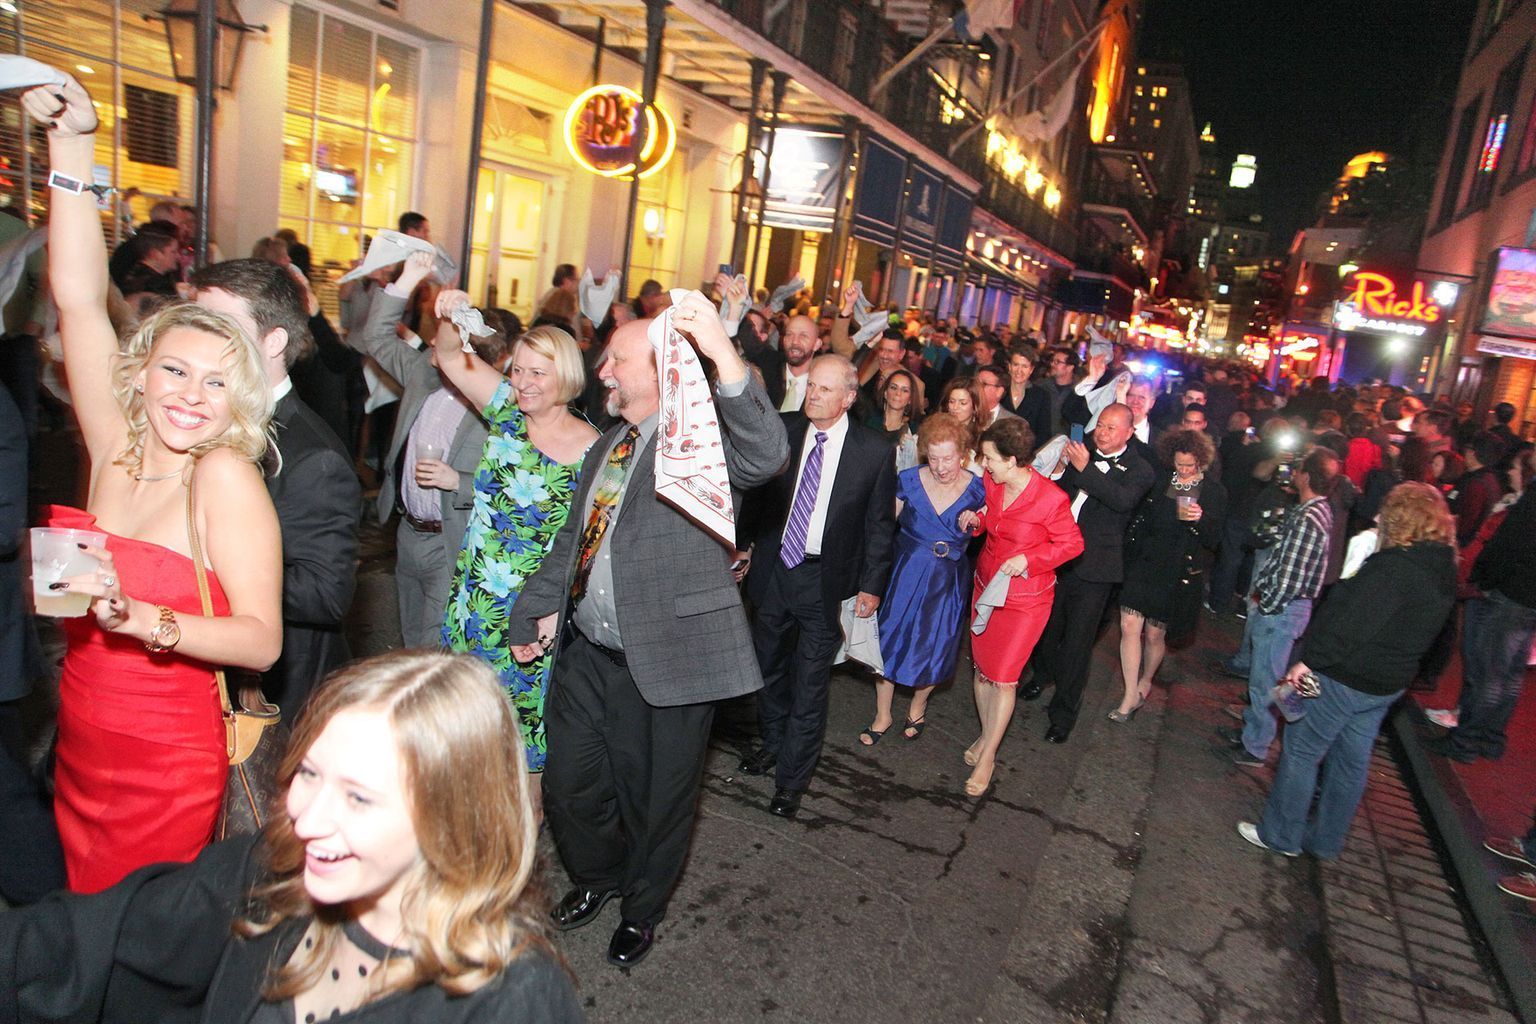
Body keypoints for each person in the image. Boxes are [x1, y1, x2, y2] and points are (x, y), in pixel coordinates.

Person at [0, 650, 582, 1022]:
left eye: (358, 797)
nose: (305, 819)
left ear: (454, 820)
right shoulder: (273, 866)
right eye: (309, 772)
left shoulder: (512, 999)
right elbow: (99, 938)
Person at [30, 73, 282, 892]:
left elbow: (260, 640)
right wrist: (70, 148)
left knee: (141, 940)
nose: (190, 395)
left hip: (166, 756)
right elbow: (75, 299)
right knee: (82, 928)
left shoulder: (225, 476)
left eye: (216, 383)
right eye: (173, 369)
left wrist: (143, 618)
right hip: (82, 731)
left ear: (237, 399)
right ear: (139, 375)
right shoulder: (115, 447)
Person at [505, 293, 788, 966]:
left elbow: (768, 454)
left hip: (667, 659)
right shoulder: (610, 443)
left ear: (663, 371)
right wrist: (533, 607)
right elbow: (576, 540)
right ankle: (598, 876)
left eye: (617, 359)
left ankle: (641, 907)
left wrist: (720, 350)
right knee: (572, 786)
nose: (603, 370)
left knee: (656, 799)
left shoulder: (703, 440)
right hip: (588, 655)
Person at [1238, 484, 1456, 859]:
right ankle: (1325, 840)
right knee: (1350, 761)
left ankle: (1281, 835)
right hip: (1385, 684)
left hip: (1346, 677)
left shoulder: (1395, 569)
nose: (1377, 518)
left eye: (1385, 512)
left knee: (1302, 749)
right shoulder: (1443, 567)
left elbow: (1353, 626)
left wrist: (1310, 660)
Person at [433, 293, 597, 791]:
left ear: (565, 377)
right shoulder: (506, 410)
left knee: (523, 732)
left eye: (537, 374)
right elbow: (446, 356)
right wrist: (447, 313)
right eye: (519, 370)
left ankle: (523, 840)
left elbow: (584, 544)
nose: (522, 382)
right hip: (472, 601)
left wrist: (550, 609)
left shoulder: (594, 449)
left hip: (529, 610)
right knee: (461, 717)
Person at [190, 256, 361, 714]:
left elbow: (326, 594)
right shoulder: (196, 415)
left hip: (276, 690)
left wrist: (210, 570)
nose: (201, 339)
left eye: (220, 326)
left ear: (274, 341)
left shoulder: (313, 457)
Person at [740, 353, 896, 818]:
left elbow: (880, 525)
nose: (814, 395)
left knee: (810, 685)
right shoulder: (784, 431)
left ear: (849, 398)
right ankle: (772, 742)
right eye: (812, 386)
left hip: (825, 582)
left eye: (825, 389)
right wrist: (744, 545)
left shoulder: (873, 451)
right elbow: (758, 495)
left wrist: (872, 585)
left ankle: (791, 781)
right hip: (774, 571)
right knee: (765, 669)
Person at [345, 253, 500, 647]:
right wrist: (407, 278)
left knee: (433, 645)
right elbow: (375, 338)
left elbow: (516, 480)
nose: (432, 341)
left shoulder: (496, 407)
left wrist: (458, 481)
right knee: (410, 636)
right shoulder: (422, 376)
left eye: (443, 338)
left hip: (450, 539)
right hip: (407, 532)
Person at [959, 418, 1083, 793]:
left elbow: (1072, 545)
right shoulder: (993, 484)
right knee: (982, 671)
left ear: (1013, 460)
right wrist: (976, 520)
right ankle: (985, 735)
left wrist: (1030, 560)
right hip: (986, 587)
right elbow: (991, 521)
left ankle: (989, 755)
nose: (984, 465)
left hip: (1025, 601)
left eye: (990, 458)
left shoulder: (1050, 499)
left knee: (1004, 677)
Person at [1022, 404, 1154, 743]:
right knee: (1046, 629)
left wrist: (1085, 469)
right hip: (1058, 557)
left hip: (1095, 568)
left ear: (1129, 432)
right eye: (1101, 426)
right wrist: (1058, 471)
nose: (1103, 433)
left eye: (1112, 428)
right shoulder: (1085, 452)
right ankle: (1042, 674)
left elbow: (1121, 501)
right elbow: (1059, 496)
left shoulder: (1140, 468)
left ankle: (1062, 715)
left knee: (1078, 644)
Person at [861, 414, 986, 746]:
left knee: (936, 645)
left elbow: (994, 524)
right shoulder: (908, 480)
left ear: (963, 454)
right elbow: (882, 526)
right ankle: (883, 714)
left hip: (947, 581)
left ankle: (918, 705)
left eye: (948, 458)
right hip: (904, 574)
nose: (941, 466)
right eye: (933, 458)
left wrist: (979, 520)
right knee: (888, 641)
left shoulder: (977, 489)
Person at [1218, 448, 1336, 768]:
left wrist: (1265, 604)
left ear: (1307, 476)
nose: (1292, 474)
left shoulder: (1310, 517)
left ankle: (1255, 745)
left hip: (1282, 612)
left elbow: (1289, 574)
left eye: (1298, 470)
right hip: (1286, 610)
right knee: (1263, 675)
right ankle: (1251, 731)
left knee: (1266, 681)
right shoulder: (1316, 510)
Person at [1427, 463, 1536, 764]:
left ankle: (1466, 741)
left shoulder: (1531, 501)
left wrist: (1485, 578)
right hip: (1527, 599)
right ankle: (1491, 738)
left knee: (1490, 674)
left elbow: (1508, 546)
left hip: (1512, 594)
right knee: (1510, 674)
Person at [1115, 429, 1227, 720]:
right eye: (1179, 464)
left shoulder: (1214, 491)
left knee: (1154, 635)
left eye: (1190, 465)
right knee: (1129, 625)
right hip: (1146, 561)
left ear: (1201, 462)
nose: (1184, 470)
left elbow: (1214, 540)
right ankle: (1129, 695)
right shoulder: (1162, 481)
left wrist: (1201, 519)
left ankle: (1146, 680)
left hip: (1175, 569)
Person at [1000, 344, 1051, 443]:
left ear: (1031, 370)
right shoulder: (999, 390)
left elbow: (1044, 433)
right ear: (1009, 367)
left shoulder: (1041, 396)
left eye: (1024, 366)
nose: (1019, 371)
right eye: (1016, 365)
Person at [864, 367, 920, 446]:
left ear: (910, 399)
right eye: (893, 387)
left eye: (905, 390)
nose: (898, 393)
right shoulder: (869, 420)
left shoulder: (913, 431)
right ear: (885, 393)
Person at [939, 377, 986, 468]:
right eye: (952, 402)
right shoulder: (937, 431)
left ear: (975, 406)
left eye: (963, 403)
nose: (955, 407)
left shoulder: (982, 440)